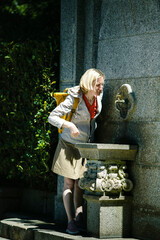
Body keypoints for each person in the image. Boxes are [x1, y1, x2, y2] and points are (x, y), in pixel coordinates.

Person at [48, 68, 105, 235]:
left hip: (84, 145)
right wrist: (70, 125)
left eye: (102, 85)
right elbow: (52, 116)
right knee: (69, 183)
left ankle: (79, 215)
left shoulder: (97, 97)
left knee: (80, 183)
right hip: (69, 144)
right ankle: (70, 221)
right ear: (90, 83)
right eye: (98, 85)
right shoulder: (75, 97)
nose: (101, 88)